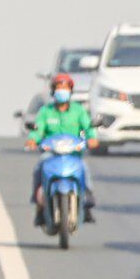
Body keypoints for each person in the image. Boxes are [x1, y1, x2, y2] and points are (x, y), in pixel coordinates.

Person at [25, 73, 99, 226]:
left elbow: (87, 128)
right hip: (51, 155)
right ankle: (39, 206)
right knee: (39, 168)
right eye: (59, 88)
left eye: (65, 88)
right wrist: (33, 140)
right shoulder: (46, 111)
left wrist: (91, 138)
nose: (62, 91)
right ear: (53, 91)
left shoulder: (78, 111)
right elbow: (38, 130)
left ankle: (87, 202)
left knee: (84, 169)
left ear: (70, 91)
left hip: (73, 154)